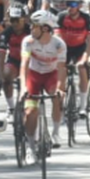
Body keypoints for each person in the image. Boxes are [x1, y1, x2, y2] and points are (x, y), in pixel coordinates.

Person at [20, 10, 67, 154]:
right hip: (33, 75)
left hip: (51, 75)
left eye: (34, 26)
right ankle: (30, 145)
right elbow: (24, 65)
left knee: (57, 98)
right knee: (30, 111)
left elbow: (61, 69)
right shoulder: (28, 41)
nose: (30, 28)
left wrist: (61, 89)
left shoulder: (59, 44)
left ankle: (56, 132)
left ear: (45, 28)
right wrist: (23, 87)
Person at [0, 4, 30, 111]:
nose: (15, 24)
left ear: (24, 19)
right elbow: (1, 55)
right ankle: (11, 107)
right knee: (6, 77)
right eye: (12, 20)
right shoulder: (6, 33)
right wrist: (1, 75)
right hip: (14, 61)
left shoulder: (31, 31)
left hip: (30, 61)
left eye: (17, 20)